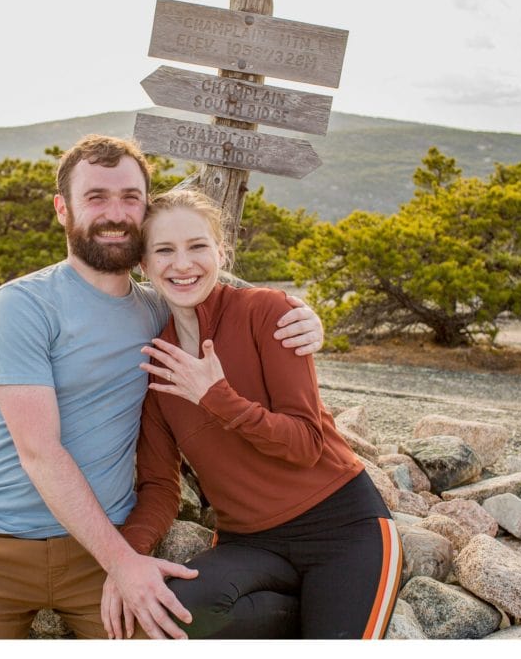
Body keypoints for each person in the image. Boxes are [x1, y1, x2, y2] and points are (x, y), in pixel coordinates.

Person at [0, 135, 325, 639]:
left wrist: (307, 317)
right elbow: (39, 451)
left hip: (99, 542)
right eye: (96, 198)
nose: (115, 214)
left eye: (130, 198)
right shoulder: (23, 305)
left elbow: (225, 289)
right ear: (62, 209)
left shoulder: (162, 309)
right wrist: (125, 562)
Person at [103, 189, 403, 640]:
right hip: (251, 542)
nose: (182, 264)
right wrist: (124, 561)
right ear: (144, 265)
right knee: (176, 614)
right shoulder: (157, 366)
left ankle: (329, 608)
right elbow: (160, 487)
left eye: (197, 246)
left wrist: (216, 396)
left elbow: (305, 444)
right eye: (164, 250)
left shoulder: (268, 313)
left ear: (221, 253)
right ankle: (308, 614)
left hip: (343, 528)